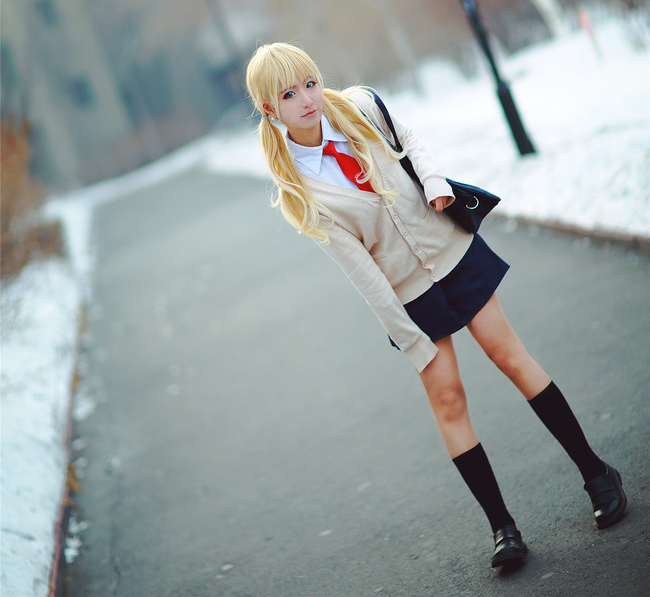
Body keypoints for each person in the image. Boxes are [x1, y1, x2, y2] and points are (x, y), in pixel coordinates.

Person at [245, 41, 627, 569]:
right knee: (447, 398)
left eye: (310, 83)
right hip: (408, 293)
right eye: (290, 94)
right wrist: (409, 340)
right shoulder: (300, 189)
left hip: (454, 252)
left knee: (509, 356)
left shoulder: (360, 107)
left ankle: (597, 474)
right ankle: (503, 528)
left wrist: (432, 181)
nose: (308, 99)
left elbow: (409, 141)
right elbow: (363, 274)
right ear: (270, 108)